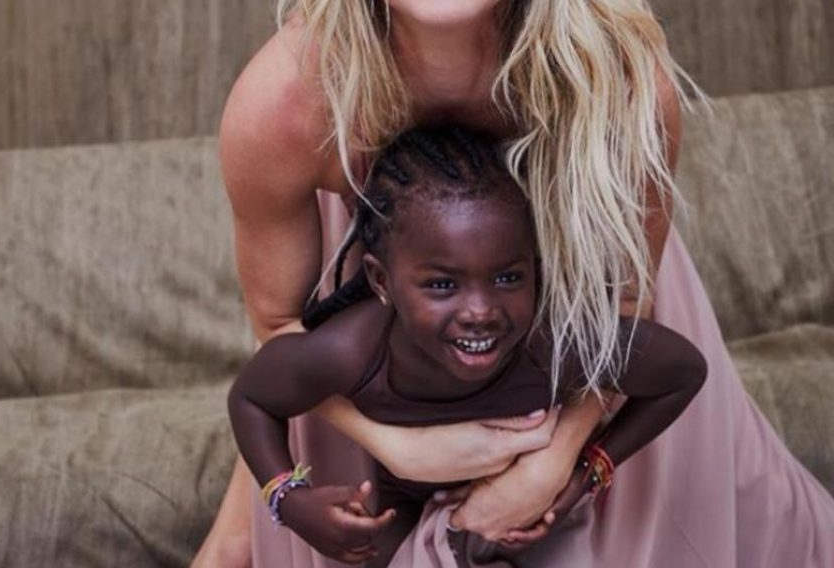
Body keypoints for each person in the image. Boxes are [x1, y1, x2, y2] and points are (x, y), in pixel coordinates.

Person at [194, 0, 834, 566]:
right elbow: (278, 323)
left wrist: (561, 459)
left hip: (594, 325)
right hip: (383, 343)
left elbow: (627, 302)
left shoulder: (619, 76)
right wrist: (394, 444)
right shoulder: (287, 99)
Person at [227, 126, 709, 566]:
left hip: (528, 511)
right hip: (403, 503)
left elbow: (683, 372)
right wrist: (289, 500)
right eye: (442, 285)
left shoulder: (554, 344)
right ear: (381, 281)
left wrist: (586, 471)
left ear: (537, 271)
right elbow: (251, 399)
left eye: (507, 278)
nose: (480, 311)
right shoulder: (350, 352)